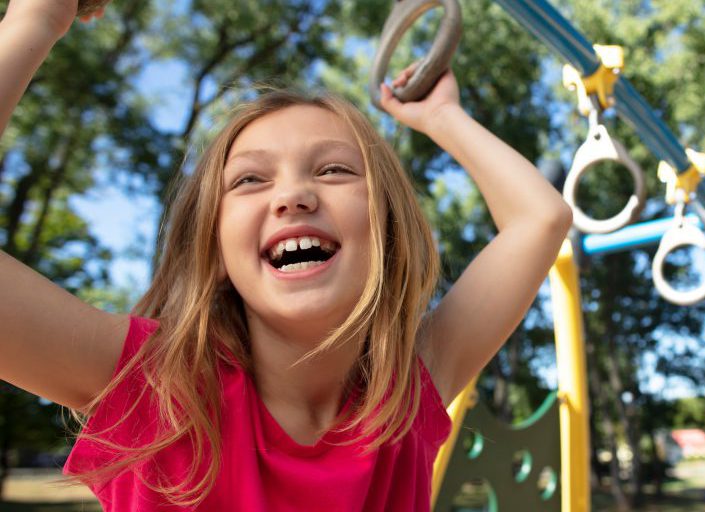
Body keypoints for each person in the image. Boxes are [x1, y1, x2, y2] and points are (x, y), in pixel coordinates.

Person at [0, 1, 572, 510]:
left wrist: (441, 117)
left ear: (388, 232)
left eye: (334, 170)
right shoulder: (153, 385)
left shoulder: (406, 394)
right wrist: (37, 18)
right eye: (250, 180)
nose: (293, 195)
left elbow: (541, 218)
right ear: (214, 252)